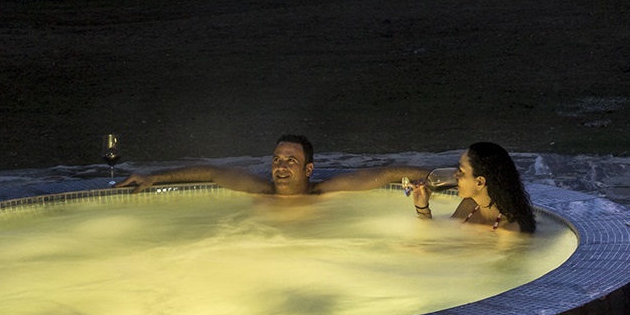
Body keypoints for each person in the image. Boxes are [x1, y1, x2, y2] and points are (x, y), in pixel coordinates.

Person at [118, 134, 429, 197]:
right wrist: (154, 177)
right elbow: (211, 172)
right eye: (277, 159)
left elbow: (387, 173)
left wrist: (445, 177)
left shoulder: (323, 192)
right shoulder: (260, 189)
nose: (281, 166)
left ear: (308, 169)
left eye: (291, 161)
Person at [411, 142, 536, 233]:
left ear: (480, 182)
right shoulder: (470, 205)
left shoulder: (508, 231)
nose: (455, 175)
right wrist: (422, 206)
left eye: (461, 171)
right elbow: (438, 235)